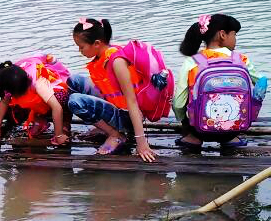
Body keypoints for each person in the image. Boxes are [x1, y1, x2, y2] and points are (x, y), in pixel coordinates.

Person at [68, 18, 156, 162]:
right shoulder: (102, 55)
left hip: (128, 115)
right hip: (115, 105)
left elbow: (132, 102)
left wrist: (141, 143)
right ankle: (105, 126)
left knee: (75, 101)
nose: (80, 51)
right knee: (74, 81)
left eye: (81, 47)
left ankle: (116, 134)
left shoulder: (117, 62)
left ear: (97, 43)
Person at [173, 14, 265, 152]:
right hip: (235, 127)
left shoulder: (192, 62)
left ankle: (193, 138)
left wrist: (184, 122)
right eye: (234, 35)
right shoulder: (242, 60)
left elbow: (178, 103)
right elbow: (261, 82)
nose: (235, 40)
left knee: (181, 99)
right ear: (223, 34)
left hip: (199, 129)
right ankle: (231, 139)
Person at [0, 55, 71, 146]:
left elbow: (57, 107)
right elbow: (3, 103)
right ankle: (39, 121)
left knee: (61, 98)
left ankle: (64, 125)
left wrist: (58, 135)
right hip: (38, 102)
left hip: (57, 94)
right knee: (8, 109)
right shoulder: (10, 80)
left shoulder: (38, 83)